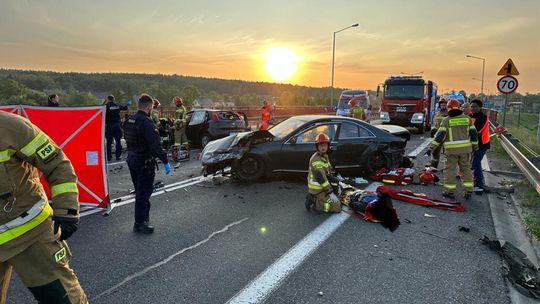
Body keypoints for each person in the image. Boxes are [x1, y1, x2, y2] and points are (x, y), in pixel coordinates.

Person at [0, 111, 87, 303]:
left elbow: (57, 165)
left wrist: (67, 210)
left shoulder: (12, 127)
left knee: (60, 298)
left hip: (31, 235)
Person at [124, 94, 171, 233]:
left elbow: (127, 138)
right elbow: (155, 145)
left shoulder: (129, 120)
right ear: (149, 106)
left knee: (140, 191)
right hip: (144, 161)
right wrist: (165, 160)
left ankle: (144, 218)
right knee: (143, 193)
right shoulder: (146, 122)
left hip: (132, 159)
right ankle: (140, 223)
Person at [428, 99, 478, 199]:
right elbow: (473, 134)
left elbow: (440, 136)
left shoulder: (446, 120)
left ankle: (449, 191)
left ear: (448, 108)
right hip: (465, 151)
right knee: (466, 170)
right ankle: (468, 190)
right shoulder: (467, 119)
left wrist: (431, 148)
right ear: (459, 107)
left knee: (450, 170)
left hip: (451, 151)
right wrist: (475, 146)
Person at [305, 133, 341, 213]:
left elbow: (327, 173)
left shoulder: (325, 156)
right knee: (337, 207)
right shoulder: (316, 159)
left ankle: (316, 198)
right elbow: (320, 177)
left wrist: (338, 181)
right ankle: (315, 202)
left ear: (328, 145)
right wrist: (330, 191)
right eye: (320, 145)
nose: (323, 147)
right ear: (317, 147)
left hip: (322, 188)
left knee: (339, 198)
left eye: (325, 145)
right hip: (318, 190)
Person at [469, 99, 490, 193]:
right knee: (474, 164)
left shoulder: (483, 117)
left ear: (480, 107)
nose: (472, 108)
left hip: (481, 145)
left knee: (476, 164)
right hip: (472, 144)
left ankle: (479, 185)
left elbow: (476, 130)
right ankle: (475, 181)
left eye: (475, 107)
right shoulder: (469, 116)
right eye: (471, 106)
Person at [104, 95, 128, 162]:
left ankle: (109, 157)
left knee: (109, 142)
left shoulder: (106, 106)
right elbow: (124, 108)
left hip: (109, 125)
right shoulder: (117, 105)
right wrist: (128, 103)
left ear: (108, 99)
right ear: (113, 99)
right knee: (118, 141)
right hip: (117, 125)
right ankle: (118, 156)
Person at [427, 98, 448, 170]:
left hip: (447, 135)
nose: (443, 106)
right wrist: (434, 130)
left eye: (444, 105)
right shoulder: (438, 113)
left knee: (447, 153)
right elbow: (436, 124)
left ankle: (447, 168)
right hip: (438, 134)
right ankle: (433, 166)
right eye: (441, 105)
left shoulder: (448, 113)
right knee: (435, 151)